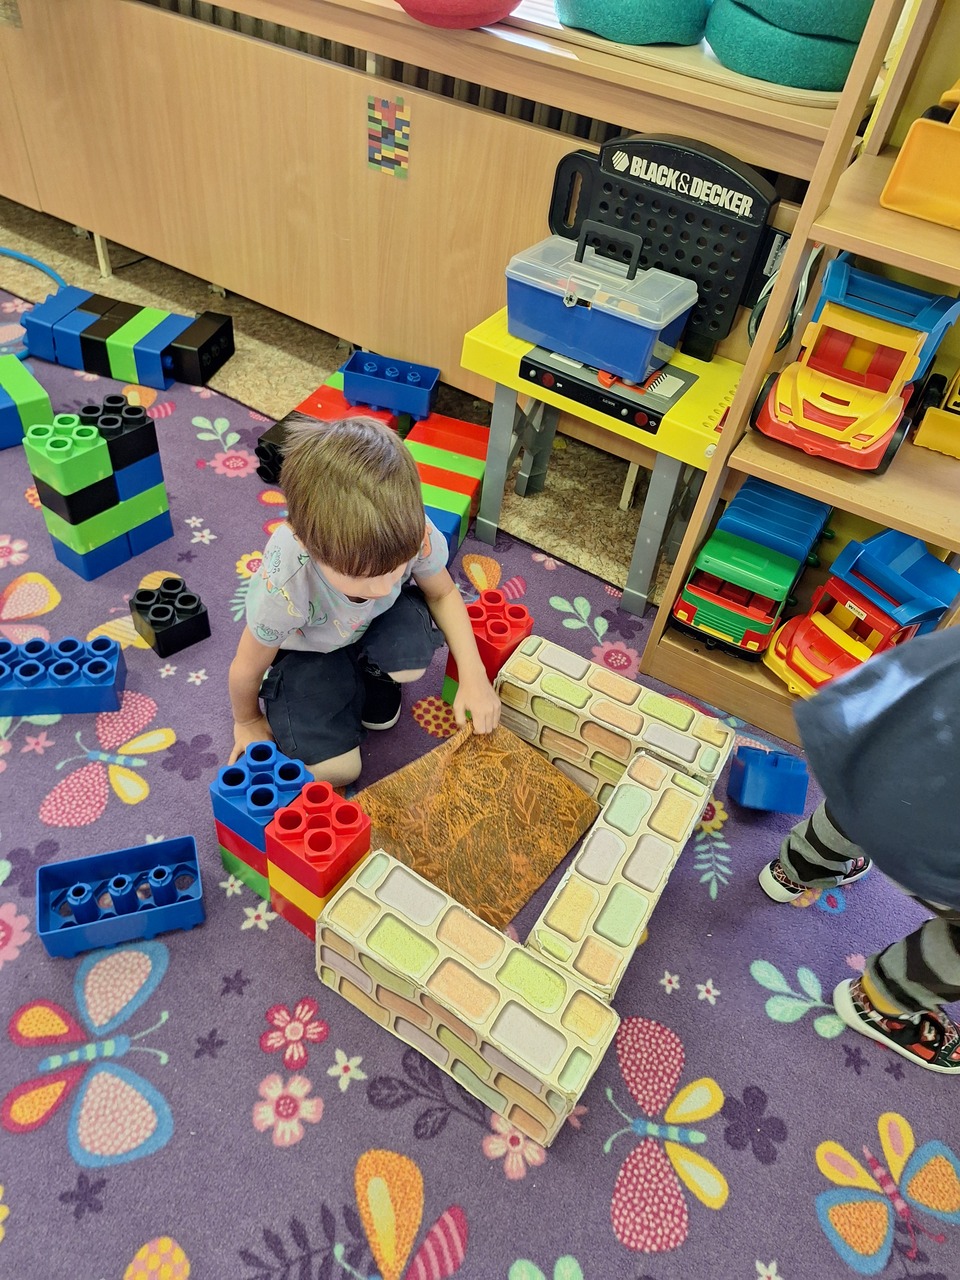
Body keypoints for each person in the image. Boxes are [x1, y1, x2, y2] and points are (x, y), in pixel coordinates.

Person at [228, 411, 501, 785]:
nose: (384, 588)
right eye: (363, 578)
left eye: (396, 569)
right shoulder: (287, 580)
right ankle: (329, 684)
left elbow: (442, 592)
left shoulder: (408, 528)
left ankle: (369, 673)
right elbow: (247, 664)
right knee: (338, 771)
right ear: (308, 545)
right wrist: (246, 719)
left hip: (371, 624)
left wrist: (474, 675)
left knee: (409, 661)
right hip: (309, 650)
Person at [758, 625, 960, 1075]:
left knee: (882, 783)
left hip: (897, 720)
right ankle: (883, 1001)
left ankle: (797, 867)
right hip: (937, 832)